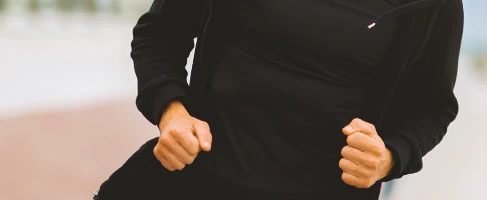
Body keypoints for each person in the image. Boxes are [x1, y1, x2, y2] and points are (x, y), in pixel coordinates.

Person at [94, 0, 463, 199]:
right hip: (192, 185)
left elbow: (434, 106)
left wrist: (389, 157)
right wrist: (171, 112)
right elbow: (159, 34)